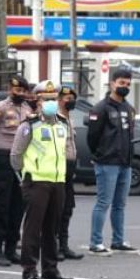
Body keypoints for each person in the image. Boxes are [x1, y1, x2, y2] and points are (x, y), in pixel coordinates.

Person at [11, 80, 74, 279]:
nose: (50, 102)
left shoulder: (63, 123)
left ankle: (50, 268)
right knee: (33, 228)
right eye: (45, 99)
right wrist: (25, 176)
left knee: (52, 228)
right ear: (37, 101)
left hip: (57, 181)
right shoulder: (29, 124)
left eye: (53, 99)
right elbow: (16, 155)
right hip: (36, 181)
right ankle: (29, 270)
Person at [86, 66, 139, 256]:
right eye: (121, 83)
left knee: (120, 205)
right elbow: (93, 137)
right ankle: (96, 243)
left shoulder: (129, 108)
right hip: (107, 162)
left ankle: (118, 241)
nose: (124, 86)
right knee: (103, 202)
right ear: (112, 84)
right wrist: (99, 156)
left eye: (127, 84)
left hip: (125, 163)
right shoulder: (100, 108)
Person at [0, 75, 32, 266]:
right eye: (16, 90)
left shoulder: (28, 109)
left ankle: (11, 249)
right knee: (1, 207)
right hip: (3, 159)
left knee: (17, 207)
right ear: (9, 89)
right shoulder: (0, 108)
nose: (19, 93)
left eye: (22, 91)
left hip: (21, 162)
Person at [56, 85, 84, 261]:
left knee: (67, 208)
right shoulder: (53, 119)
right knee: (56, 209)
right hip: (57, 168)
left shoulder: (69, 118)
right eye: (67, 99)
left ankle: (64, 245)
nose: (70, 101)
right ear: (59, 100)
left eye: (72, 99)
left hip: (70, 168)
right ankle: (54, 246)